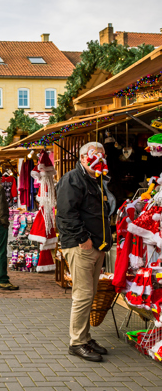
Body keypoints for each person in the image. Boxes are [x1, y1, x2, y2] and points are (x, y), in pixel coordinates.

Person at [56, 141, 114, 363]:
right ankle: (77, 342)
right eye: (93, 155)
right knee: (83, 296)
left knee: (90, 294)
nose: (99, 158)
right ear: (82, 158)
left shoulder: (97, 179)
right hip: (82, 246)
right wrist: (83, 239)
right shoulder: (73, 179)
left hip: (96, 245)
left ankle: (85, 337)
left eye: (102, 155)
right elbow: (65, 213)